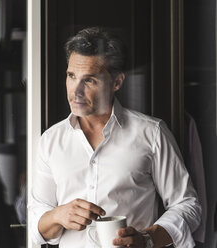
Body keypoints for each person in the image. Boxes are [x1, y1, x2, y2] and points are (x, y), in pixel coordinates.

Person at [28, 26, 202, 248]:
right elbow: (36, 219)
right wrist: (58, 215)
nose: (76, 91)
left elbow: (188, 206)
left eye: (89, 80)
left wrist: (147, 239)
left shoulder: (152, 133)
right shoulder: (50, 141)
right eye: (71, 76)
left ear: (117, 82)